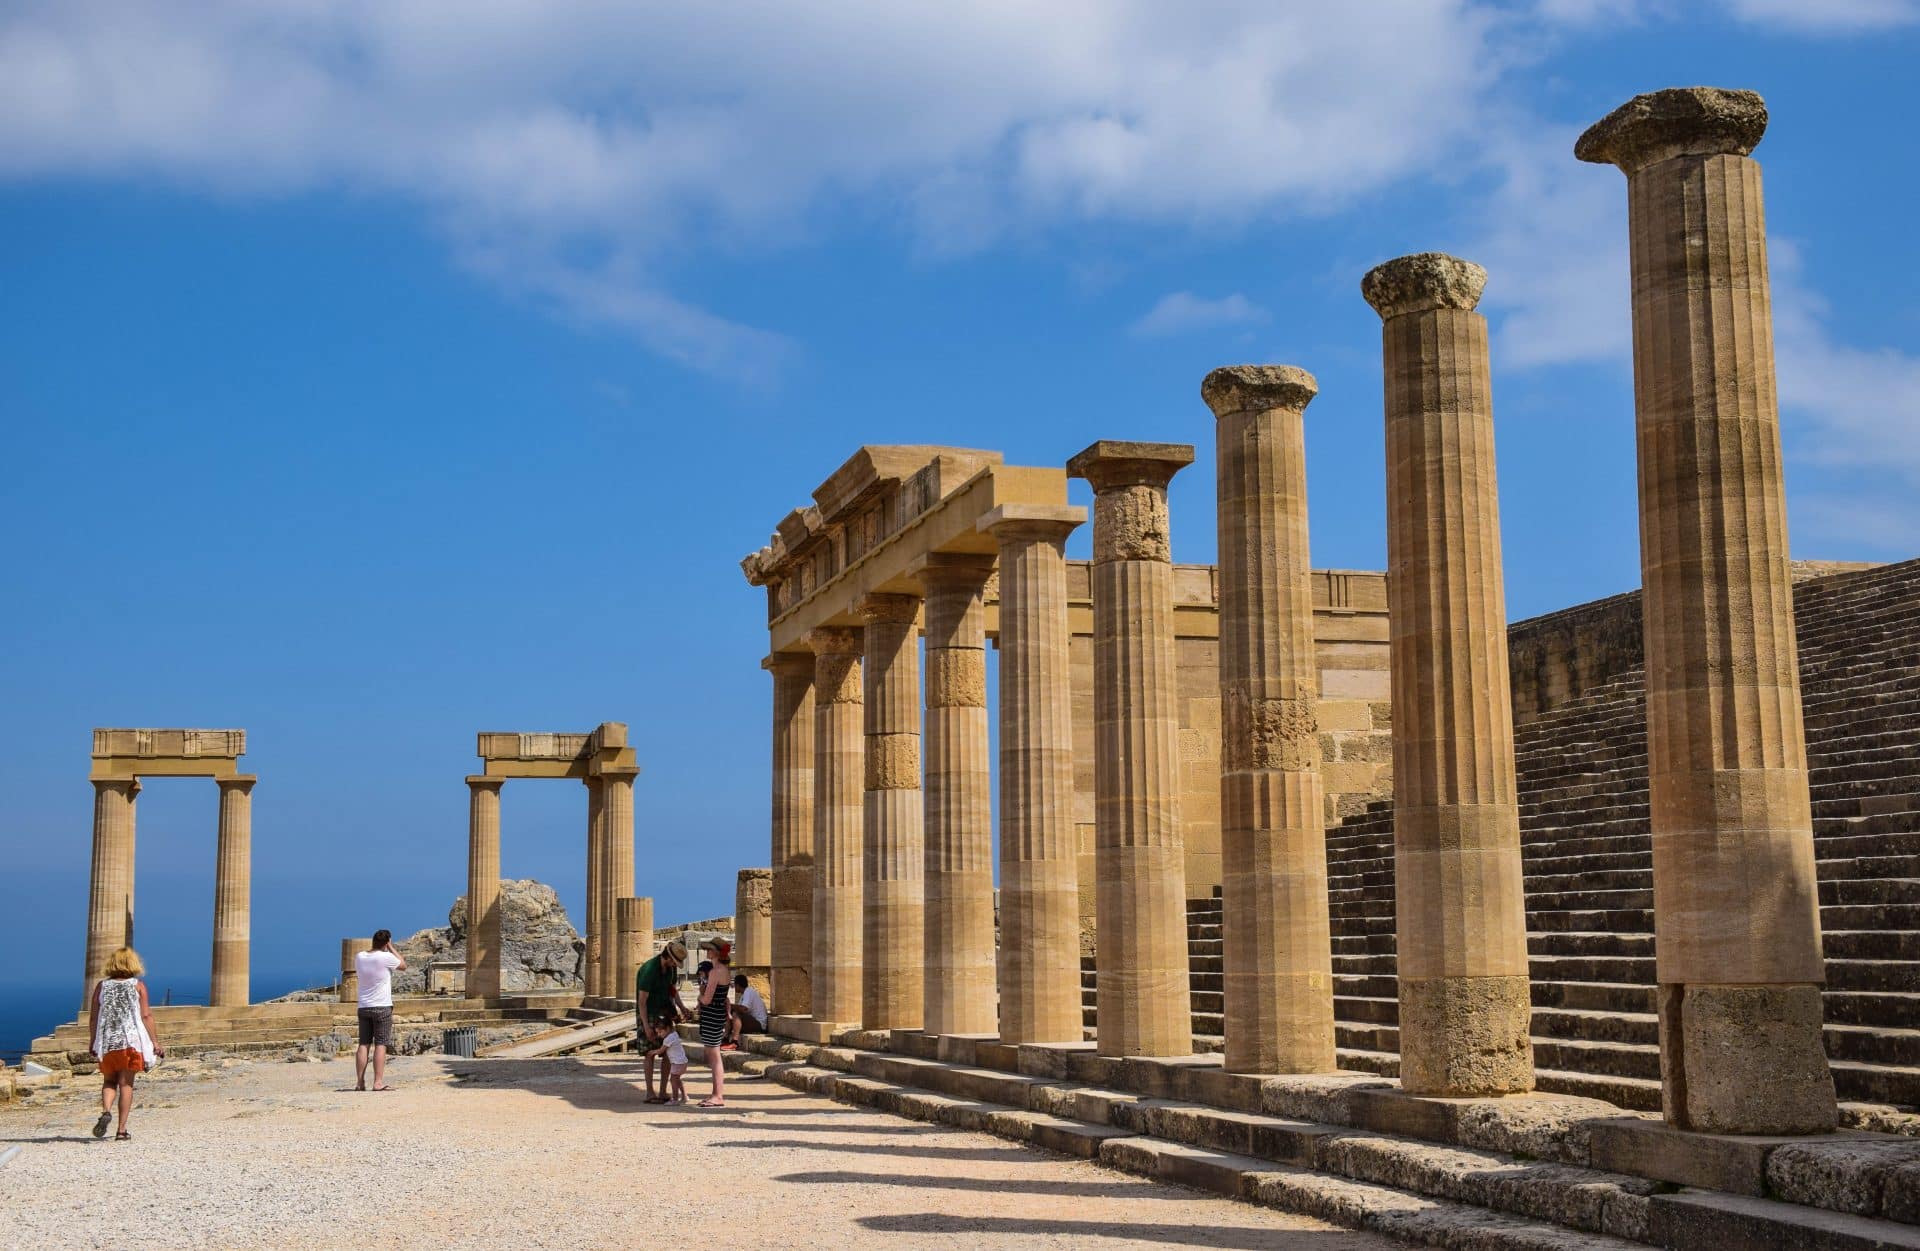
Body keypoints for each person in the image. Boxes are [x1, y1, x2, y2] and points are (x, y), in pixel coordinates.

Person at [87, 947, 162, 1142]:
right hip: (131, 1042)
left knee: (109, 1081)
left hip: (108, 1043)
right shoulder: (138, 986)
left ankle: (105, 1111)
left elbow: (94, 1017)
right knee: (126, 1084)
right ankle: (121, 1130)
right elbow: (146, 1015)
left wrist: (93, 1040)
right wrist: (155, 1042)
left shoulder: (101, 986)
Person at [635, 939, 687, 1104]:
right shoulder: (649, 970)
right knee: (649, 1053)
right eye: (674, 962)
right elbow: (642, 1001)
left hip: (665, 1011)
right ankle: (650, 1092)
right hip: (649, 1012)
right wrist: (646, 1026)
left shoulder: (671, 971)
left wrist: (682, 1007)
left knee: (667, 1052)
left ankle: (664, 1091)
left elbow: (672, 991)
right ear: (669, 958)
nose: (675, 965)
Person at [354, 930, 406, 1092]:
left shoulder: (360, 956)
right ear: (386, 942)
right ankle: (377, 1083)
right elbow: (403, 965)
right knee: (381, 1044)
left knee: (363, 1044)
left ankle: (360, 1082)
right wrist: (390, 947)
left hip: (364, 1006)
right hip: (382, 1006)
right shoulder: (386, 957)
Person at [695, 938, 732, 1108]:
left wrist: (699, 998)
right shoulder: (724, 970)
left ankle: (718, 1095)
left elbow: (707, 999)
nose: (707, 952)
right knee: (714, 1056)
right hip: (717, 1015)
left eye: (709, 949)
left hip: (711, 1016)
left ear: (715, 952)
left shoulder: (715, 971)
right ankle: (716, 1094)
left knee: (714, 1057)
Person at [724, 974, 767, 1050]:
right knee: (729, 1012)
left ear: (738, 985)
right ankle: (726, 1038)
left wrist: (730, 1005)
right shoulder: (744, 995)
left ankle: (735, 1042)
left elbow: (743, 1009)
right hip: (751, 1022)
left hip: (759, 1024)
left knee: (736, 1013)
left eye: (735, 985)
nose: (734, 987)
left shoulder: (749, 991)